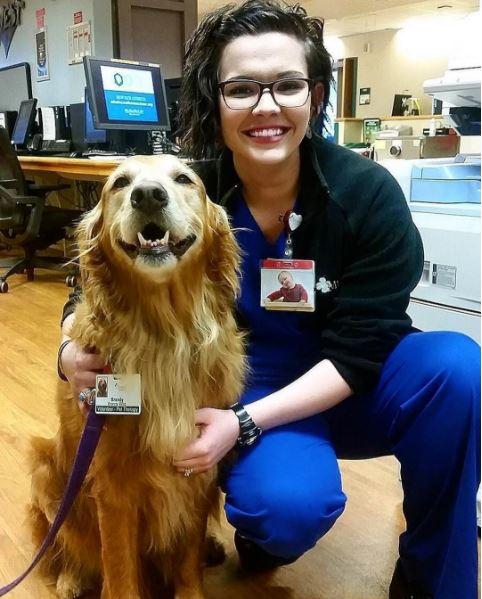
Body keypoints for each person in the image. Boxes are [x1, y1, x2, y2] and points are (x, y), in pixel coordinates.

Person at [57, 2, 480, 597]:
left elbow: (365, 350)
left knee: (457, 367)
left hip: (352, 383)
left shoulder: (366, 193)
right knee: (284, 512)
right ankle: (261, 522)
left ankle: (437, 578)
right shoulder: (187, 188)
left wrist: (243, 425)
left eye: (287, 85)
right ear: (216, 102)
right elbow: (100, 273)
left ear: (316, 94)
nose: (266, 106)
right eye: (241, 89)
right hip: (242, 387)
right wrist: (67, 352)